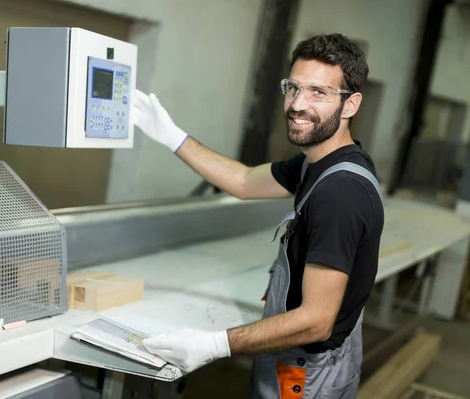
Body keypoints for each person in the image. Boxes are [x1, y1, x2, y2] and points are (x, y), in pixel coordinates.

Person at [134, 33, 384, 398]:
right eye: (293, 88)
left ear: (350, 105)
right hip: (298, 360)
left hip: (307, 375)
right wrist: (172, 137)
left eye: (318, 92)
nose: (298, 104)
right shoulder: (317, 163)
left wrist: (216, 344)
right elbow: (244, 180)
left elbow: (316, 321)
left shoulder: (340, 192)